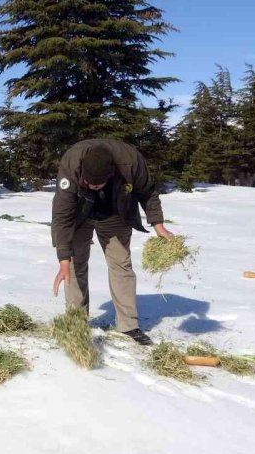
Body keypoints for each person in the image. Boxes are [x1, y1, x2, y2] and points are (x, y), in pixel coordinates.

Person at [50, 139, 175, 346]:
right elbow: (62, 213)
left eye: (96, 184)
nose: (91, 186)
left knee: (121, 264)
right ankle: (76, 322)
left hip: (115, 213)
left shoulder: (131, 161)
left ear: (110, 174)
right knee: (73, 264)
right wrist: (64, 257)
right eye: (88, 183)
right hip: (80, 214)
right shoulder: (72, 162)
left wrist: (158, 224)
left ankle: (128, 326)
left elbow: (148, 192)